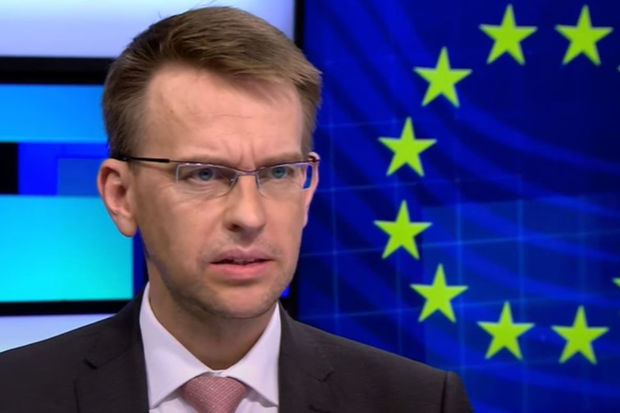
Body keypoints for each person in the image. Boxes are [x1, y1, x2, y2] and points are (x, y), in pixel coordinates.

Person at [0, 7, 472, 413]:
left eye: (278, 172)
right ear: (121, 196)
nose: (249, 216)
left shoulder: (418, 401)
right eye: (204, 174)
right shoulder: (14, 395)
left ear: (308, 189)